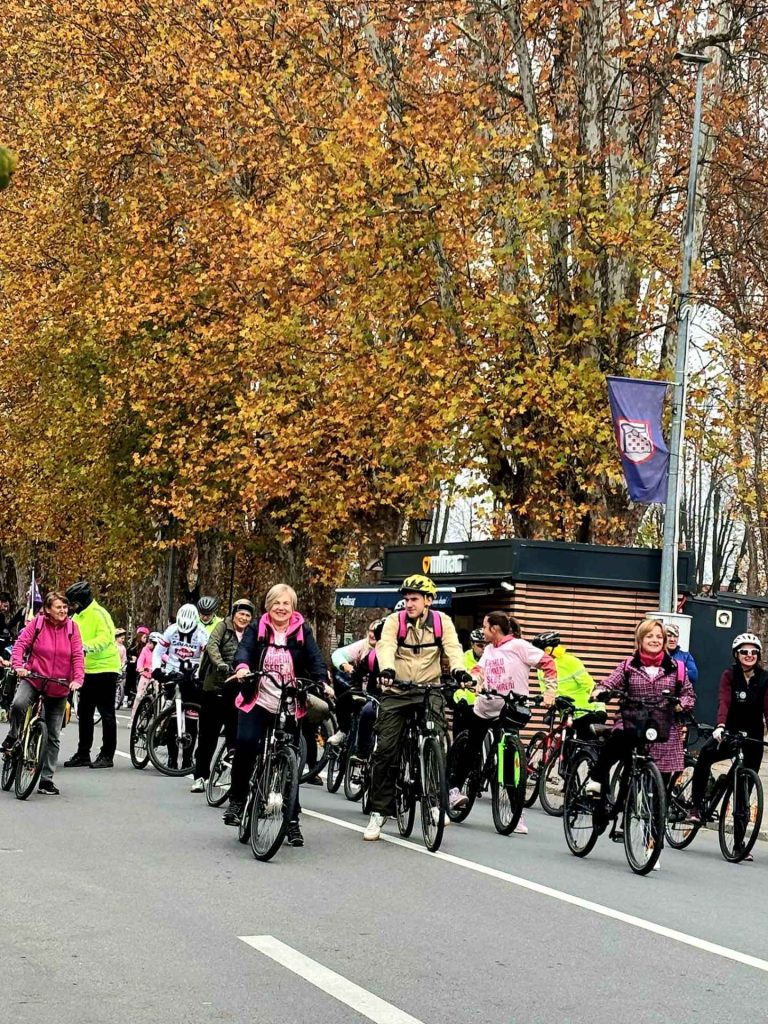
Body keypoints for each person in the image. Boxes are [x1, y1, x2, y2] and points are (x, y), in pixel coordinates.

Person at [363, 574, 468, 842]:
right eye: (406, 599)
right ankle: (379, 811)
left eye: (415, 599)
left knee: (437, 743)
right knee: (386, 750)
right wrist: (386, 668)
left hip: (428, 690)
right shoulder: (393, 622)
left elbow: (453, 649)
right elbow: (386, 646)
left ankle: (434, 803)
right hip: (397, 689)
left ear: (429, 601)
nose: (409, 604)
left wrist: (460, 671)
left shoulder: (442, 622)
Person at [224, 583, 330, 848]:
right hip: (258, 697)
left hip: (290, 701)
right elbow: (245, 650)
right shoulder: (257, 627)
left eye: (286, 604)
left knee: (290, 760)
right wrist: (242, 667)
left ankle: (291, 821)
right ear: (268, 606)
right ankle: (237, 801)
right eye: (276, 603)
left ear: (292, 607)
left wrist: (322, 681)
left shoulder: (302, 630)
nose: (281, 608)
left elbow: (315, 658)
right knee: (246, 744)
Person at [446, 612, 558, 835]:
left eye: (485, 627)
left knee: (509, 760)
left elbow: (548, 663)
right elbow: (480, 670)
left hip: (510, 709)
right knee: (471, 748)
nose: (483, 630)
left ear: (495, 629)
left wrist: (550, 692)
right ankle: (454, 790)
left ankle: (516, 813)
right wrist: (476, 681)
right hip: (485, 707)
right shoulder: (489, 650)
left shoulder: (519, 646)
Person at [585, 619, 696, 809]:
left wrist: (681, 705)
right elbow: (609, 683)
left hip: (663, 725)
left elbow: (688, 694)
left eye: (659, 637)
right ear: (640, 640)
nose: (655, 640)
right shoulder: (628, 665)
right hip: (632, 720)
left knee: (660, 786)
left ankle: (654, 829)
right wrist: (600, 692)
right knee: (618, 740)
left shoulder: (677, 668)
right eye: (649, 636)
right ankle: (597, 779)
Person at [1, 591, 84, 794]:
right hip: (34, 678)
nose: (63, 611)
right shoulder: (37, 624)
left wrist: (77, 679)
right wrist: (18, 665)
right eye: (58, 607)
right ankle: (13, 735)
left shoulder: (73, 628)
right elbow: (20, 645)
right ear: (47, 610)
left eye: (65, 607)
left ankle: (46, 780)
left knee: (54, 734)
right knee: (19, 704)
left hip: (59, 685)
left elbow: (77, 656)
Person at [686, 633, 768, 836]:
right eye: (744, 652)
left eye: (753, 652)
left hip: (753, 736)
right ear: (736, 654)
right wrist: (720, 726)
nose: (749, 655)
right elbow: (724, 701)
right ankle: (695, 805)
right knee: (705, 756)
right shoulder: (729, 675)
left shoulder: (765, 678)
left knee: (745, 788)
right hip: (729, 731)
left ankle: (740, 843)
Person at [191, 598, 255, 793]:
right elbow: (212, 646)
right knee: (208, 735)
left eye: (247, 615)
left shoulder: (252, 633)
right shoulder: (222, 627)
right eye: (240, 614)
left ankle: (234, 777)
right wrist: (221, 664)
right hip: (215, 688)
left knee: (235, 735)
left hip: (238, 689)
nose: (243, 618)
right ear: (233, 613)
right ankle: (200, 776)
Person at [63, 581, 122, 769]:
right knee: (84, 712)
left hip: (105, 668)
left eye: (73, 602)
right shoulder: (77, 617)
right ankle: (83, 753)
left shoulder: (99, 613)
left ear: (82, 600)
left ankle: (107, 755)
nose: (71, 606)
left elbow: (106, 638)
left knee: (106, 713)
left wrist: (85, 647)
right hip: (86, 670)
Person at [532, 631, 606, 738]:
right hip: (567, 716)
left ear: (550, 649)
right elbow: (547, 692)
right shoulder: (541, 669)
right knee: (565, 749)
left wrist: (600, 709)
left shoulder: (571, 662)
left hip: (586, 713)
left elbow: (591, 686)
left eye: (543, 651)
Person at [328, 621, 382, 747]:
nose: (372, 635)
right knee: (343, 697)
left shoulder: (386, 648)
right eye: (370, 631)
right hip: (360, 689)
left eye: (376, 632)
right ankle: (343, 731)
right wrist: (345, 665)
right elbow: (337, 654)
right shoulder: (362, 645)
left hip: (377, 693)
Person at [132, 631, 165, 716]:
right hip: (146, 675)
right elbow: (140, 660)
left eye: (151, 642)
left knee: (160, 697)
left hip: (156, 676)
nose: (149, 644)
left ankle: (160, 719)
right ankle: (132, 719)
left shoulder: (159, 651)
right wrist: (140, 668)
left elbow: (166, 658)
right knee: (139, 696)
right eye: (149, 641)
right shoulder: (145, 650)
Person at [125, 626, 150, 706]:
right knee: (130, 681)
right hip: (133, 667)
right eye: (144, 637)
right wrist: (131, 658)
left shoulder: (147, 647)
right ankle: (127, 697)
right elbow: (128, 653)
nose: (145, 639)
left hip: (143, 668)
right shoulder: (133, 645)